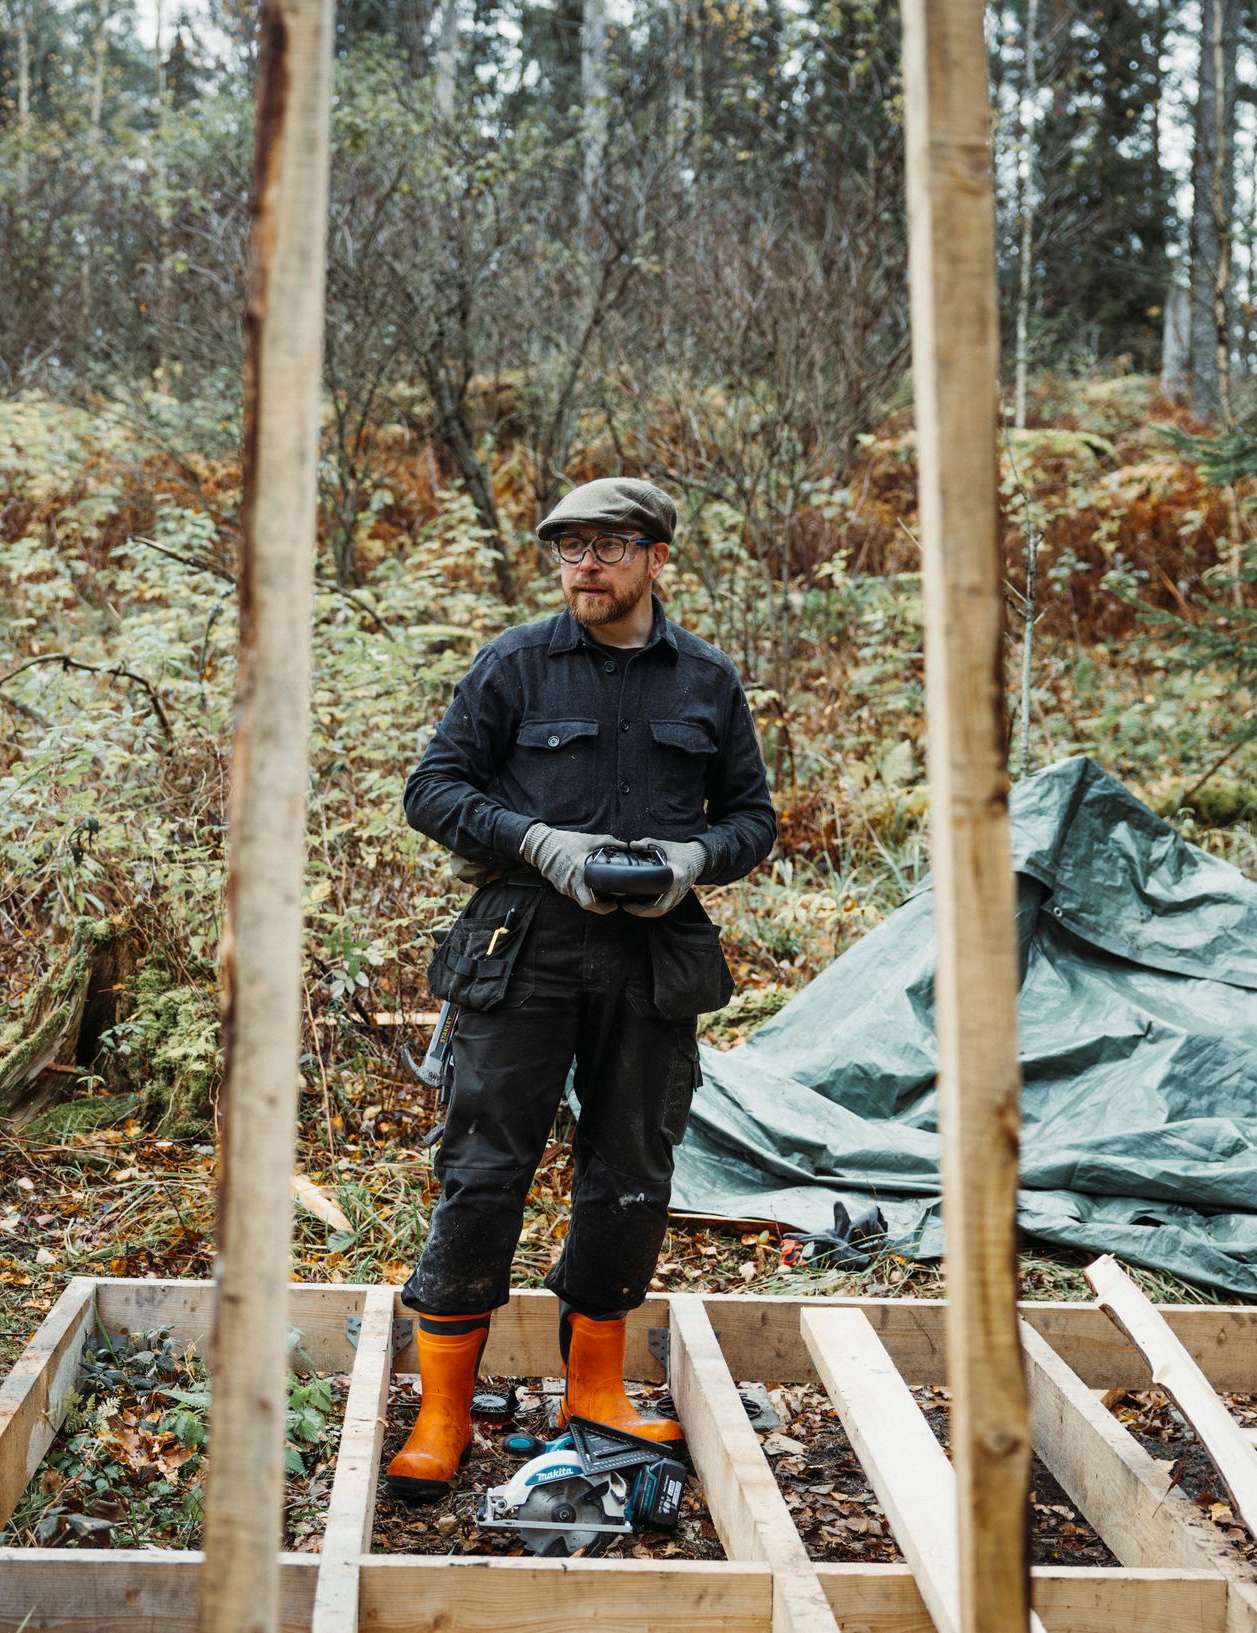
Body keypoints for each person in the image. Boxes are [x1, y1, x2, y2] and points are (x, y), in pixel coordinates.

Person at [383, 475, 777, 1499]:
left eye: (606, 545)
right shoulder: (516, 664)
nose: (583, 565)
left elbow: (751, 818)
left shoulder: (705, 679)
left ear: (654, 557)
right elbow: (433, 789)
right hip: (522, 945)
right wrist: (538, 843)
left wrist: (690, 862)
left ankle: (593, 1392)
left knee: (630, 1174)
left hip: (652, 956)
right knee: (481, 1169)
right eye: (567, 548)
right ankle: (443, 1409)